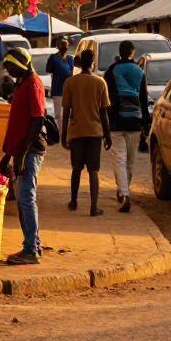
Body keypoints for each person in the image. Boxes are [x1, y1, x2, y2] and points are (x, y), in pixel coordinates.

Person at [0, 47, 47, 265]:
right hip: (18, 151)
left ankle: (31, 250)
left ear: (21, 64)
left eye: (10, 65)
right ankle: (33, 244)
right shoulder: (20, 85)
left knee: (26, 199)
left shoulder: (33, 84)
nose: (7, 69)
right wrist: (7, 155)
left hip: (31, 150)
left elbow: (37, 120)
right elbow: (16, 124)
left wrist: (21, 152)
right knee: (23, 200)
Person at [61, 48, 112, 216]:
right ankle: (93, 206)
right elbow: (104, 112)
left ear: (79, 63)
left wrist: (63, 134)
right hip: (95, 132)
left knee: (76, 168)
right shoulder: (100, 83)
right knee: (93, 170)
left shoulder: (70, 82)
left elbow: (66, 112)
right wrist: (108, 135)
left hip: (76, 132)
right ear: (93, 63)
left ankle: (74, 201)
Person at [104, 41, 150, 212]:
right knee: (129, 162)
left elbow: (106, 100)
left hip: (116, 123)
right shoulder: (140, 72)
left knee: (119, 161)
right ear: (133, 53)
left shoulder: (112, 71)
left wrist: (107, 124)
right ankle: (124, 191)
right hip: (135, 122)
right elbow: (144, 100)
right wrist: (145, 124)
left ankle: (125, 193)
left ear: (120, 52)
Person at [46, 37, 74, 134]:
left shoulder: (70, 58)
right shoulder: (53, 58)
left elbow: (72, 72)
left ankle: (69, 132)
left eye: (66, 48)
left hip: (69, 89)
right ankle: (62, 132)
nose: (64, 50)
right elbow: (48, 70)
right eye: (62, 48)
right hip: (57, 89)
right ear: (58, 47)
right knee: (58, 113)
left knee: (70, 112)